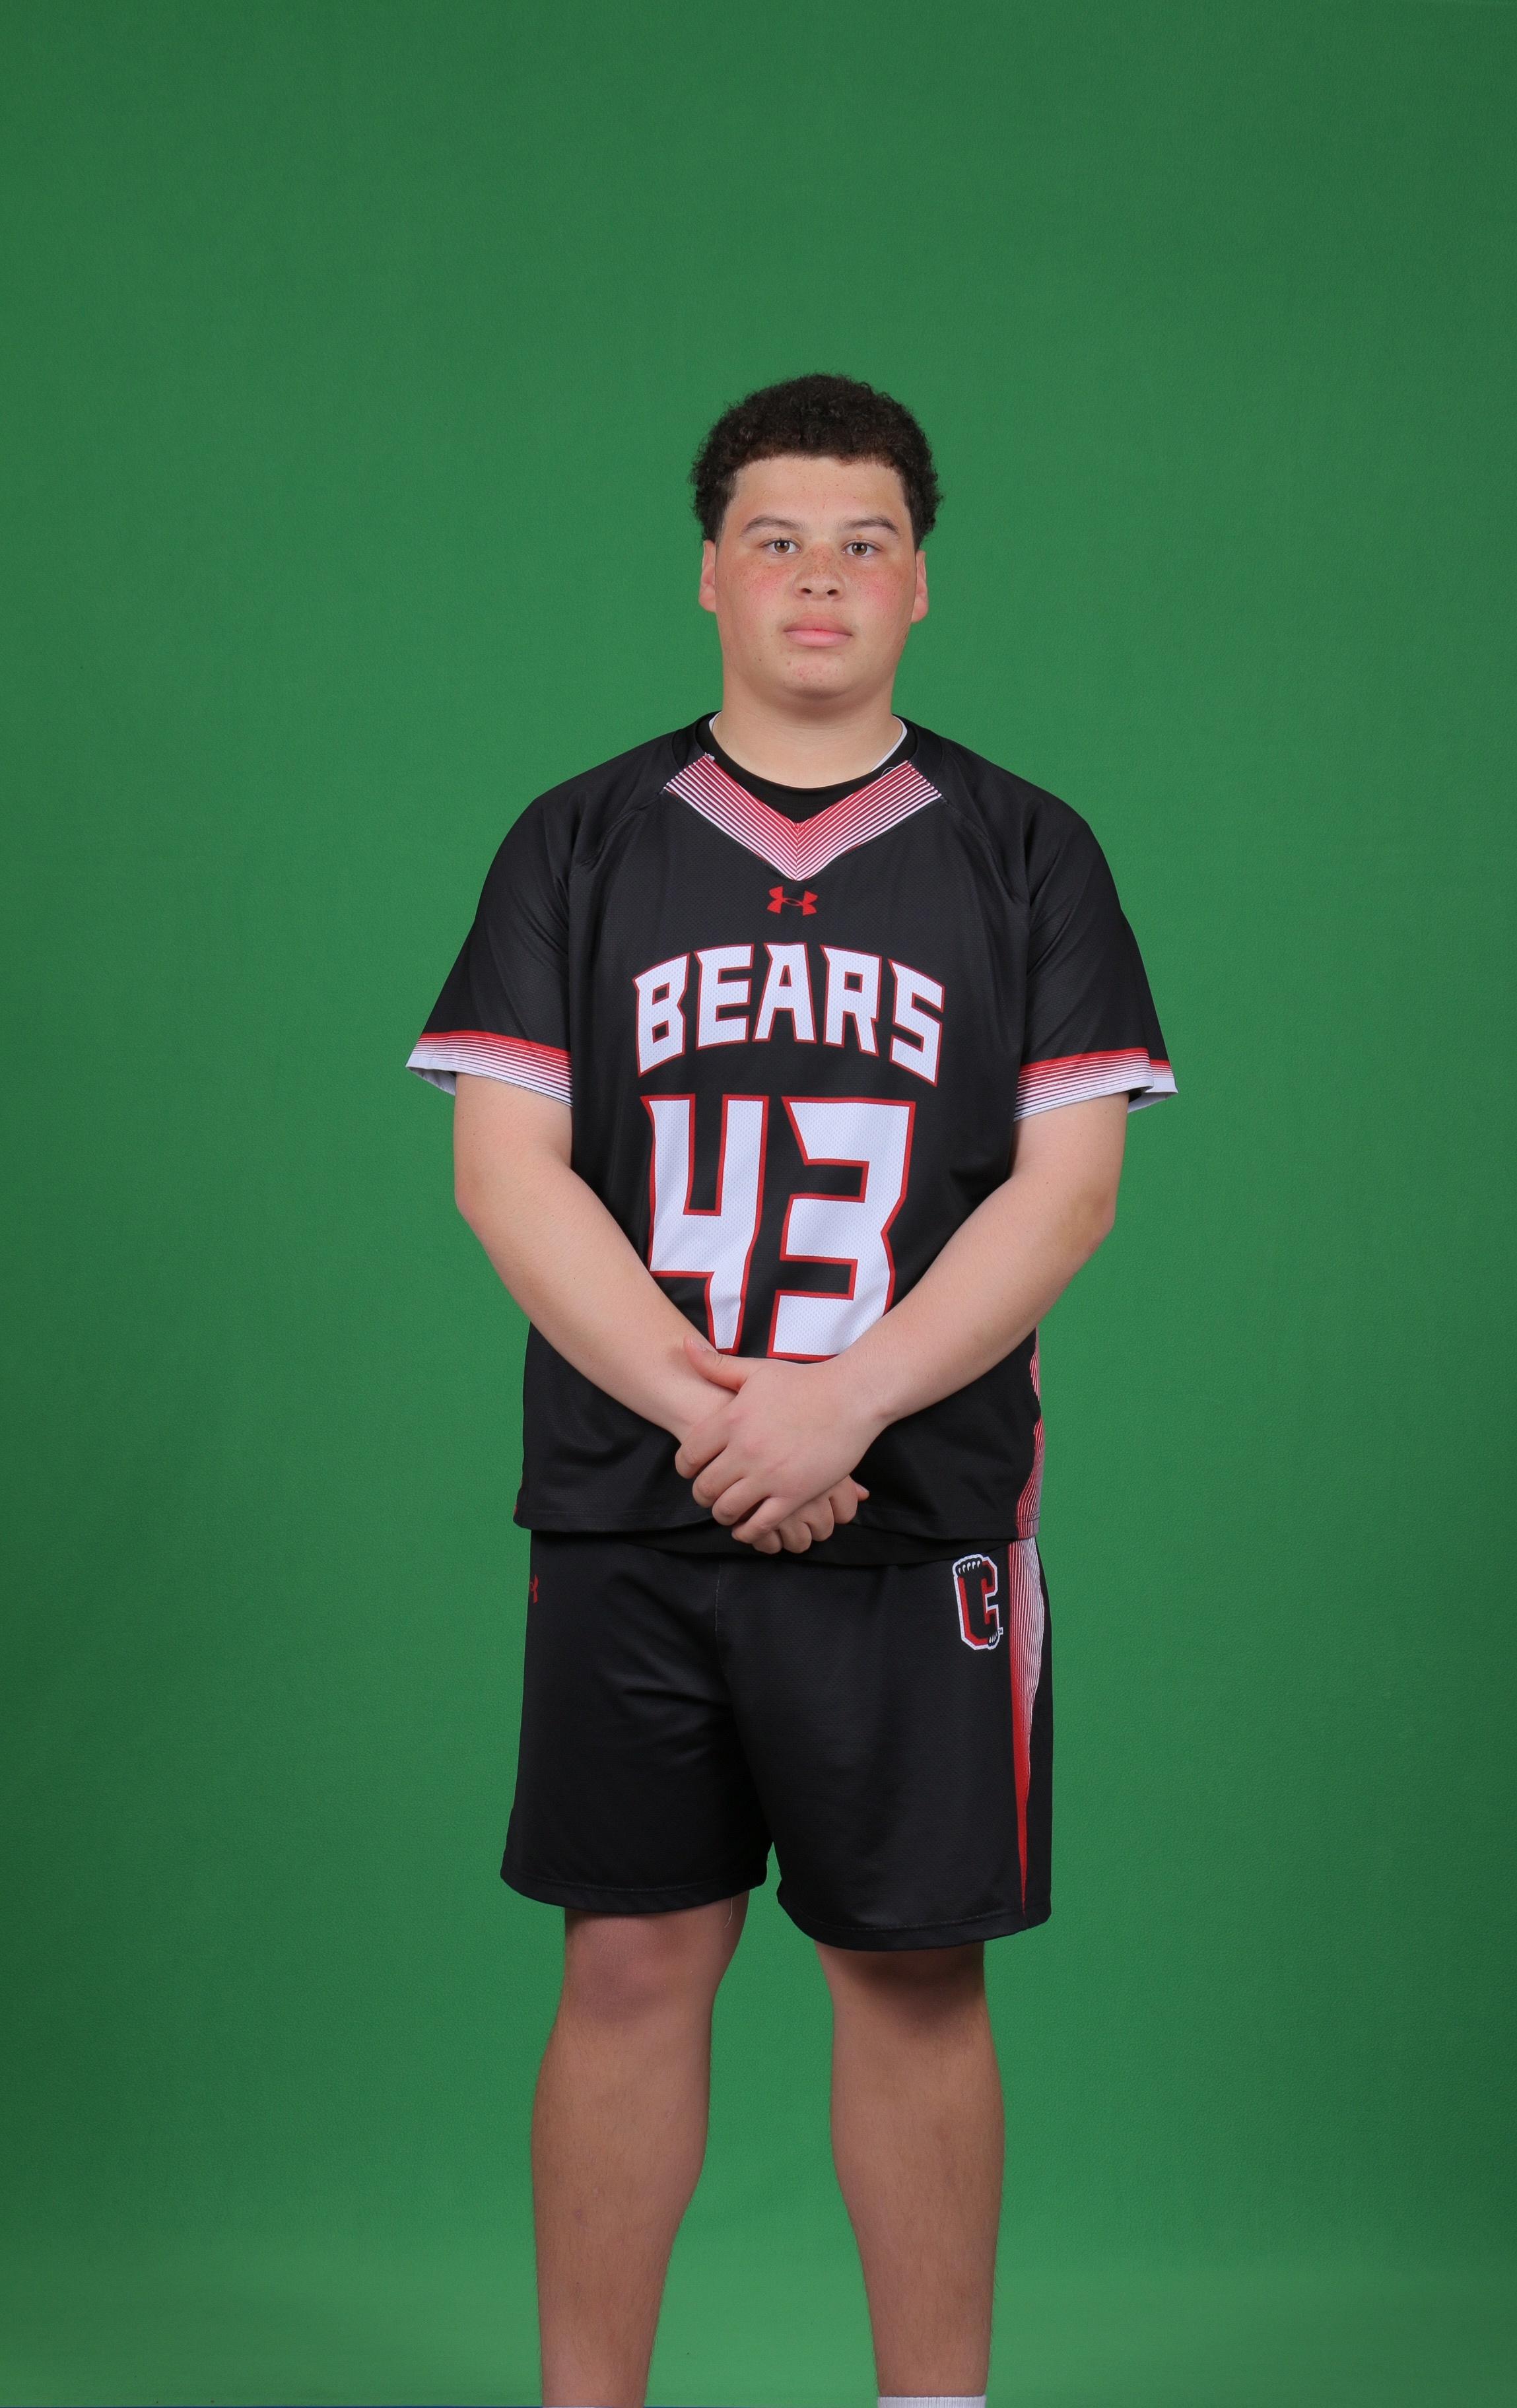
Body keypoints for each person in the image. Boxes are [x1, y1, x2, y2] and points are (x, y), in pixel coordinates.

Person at [408, 373, 1173, 2408]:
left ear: (921, 585)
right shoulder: (579, 838)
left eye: (862, 542)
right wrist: (725, 1416)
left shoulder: (1028, 850)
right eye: (777, 539)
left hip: (918, 1514)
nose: (819, 577)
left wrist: (846, 1407)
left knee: (912, 1972)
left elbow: (1068, 1193)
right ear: (709, 577)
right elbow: (506, 1173)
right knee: (628, 1957)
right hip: (635, 1501)